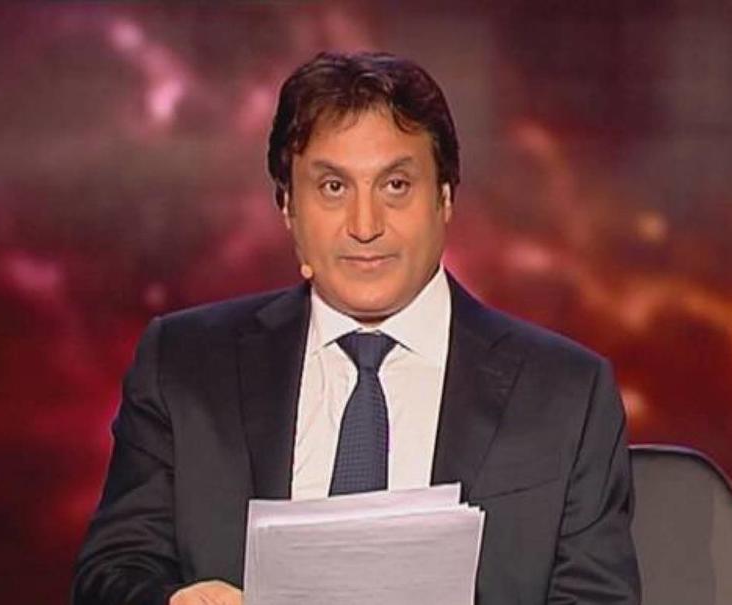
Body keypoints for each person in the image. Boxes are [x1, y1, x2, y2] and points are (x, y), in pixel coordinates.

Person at [72, 51, 640, 605]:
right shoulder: (184, 366)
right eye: (333, 187)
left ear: (444, 198)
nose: (365, 225)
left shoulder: (566, 393)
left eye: (395, 186)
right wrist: (175, 600)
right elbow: (113, 572)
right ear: (288, 209)